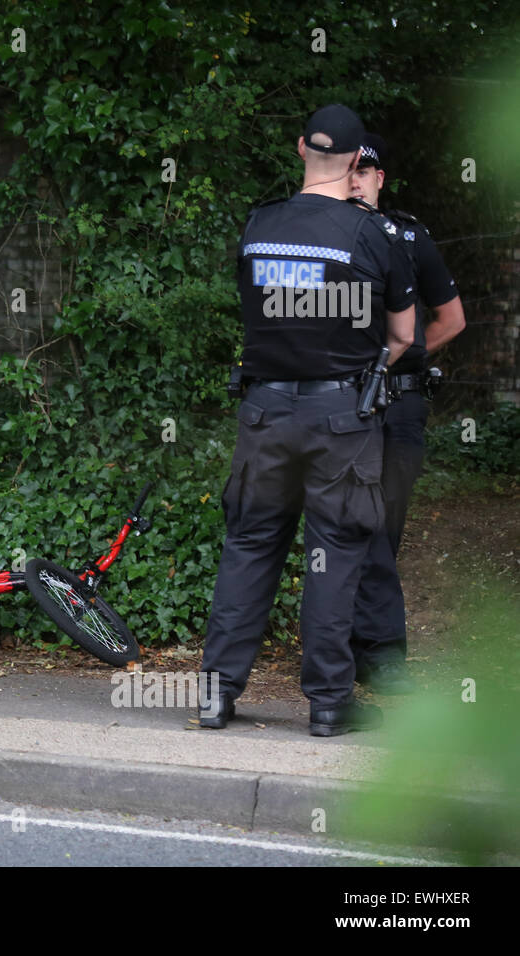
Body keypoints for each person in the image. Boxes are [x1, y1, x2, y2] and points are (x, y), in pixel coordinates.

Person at [198, 104, 417, 737]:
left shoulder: (258, 225)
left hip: (264, 412)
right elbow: (403, 332)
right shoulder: (373, 234)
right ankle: (327, 704)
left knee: (249, 546)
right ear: (356, 163)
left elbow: (255, 312)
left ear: (301, 148)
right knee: (336, 552)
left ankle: (215, 695)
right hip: (341, 418)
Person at [348, 132, 466, 694]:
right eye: (347, 172)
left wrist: (406, 355)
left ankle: (364, 645)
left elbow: (450, 319)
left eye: (364, 173)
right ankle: (378, 650)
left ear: (379, 179)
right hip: (343, 399)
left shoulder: (408, 235)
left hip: (399, 399)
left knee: (384, 524)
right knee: (358, 519)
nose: (354, 181)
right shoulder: (328, 237)